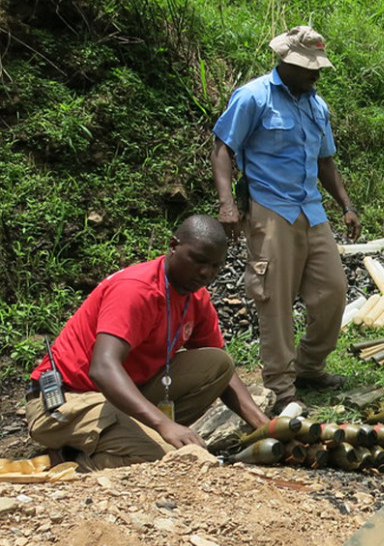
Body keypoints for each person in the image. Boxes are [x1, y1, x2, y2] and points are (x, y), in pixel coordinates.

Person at [25, 215, 270, 471]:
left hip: (116, 398)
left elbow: (224, 374)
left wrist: (266, 427)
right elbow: (102, 368)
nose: (206, 273)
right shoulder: (136, 289)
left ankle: (117, 439)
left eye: (215, 266)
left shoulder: (195, 297)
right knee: (170, 456)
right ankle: (68, 460)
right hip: (65, 401)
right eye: (198, 260)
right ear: (173, 246)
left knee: (218, 363)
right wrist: (163, 425)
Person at [211, 25, 360, 414]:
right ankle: (280, 386)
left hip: (311, 209)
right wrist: (227, 204)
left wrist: (346, 204)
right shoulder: (253, 96)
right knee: (274, 301)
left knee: (333, 291)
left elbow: (325, 161)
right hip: (270, 210)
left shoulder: (317, 105)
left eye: (318, 67)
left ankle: (310, 367)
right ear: (285, 62)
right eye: (307, 66)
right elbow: (223, 149)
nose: (315, 73)